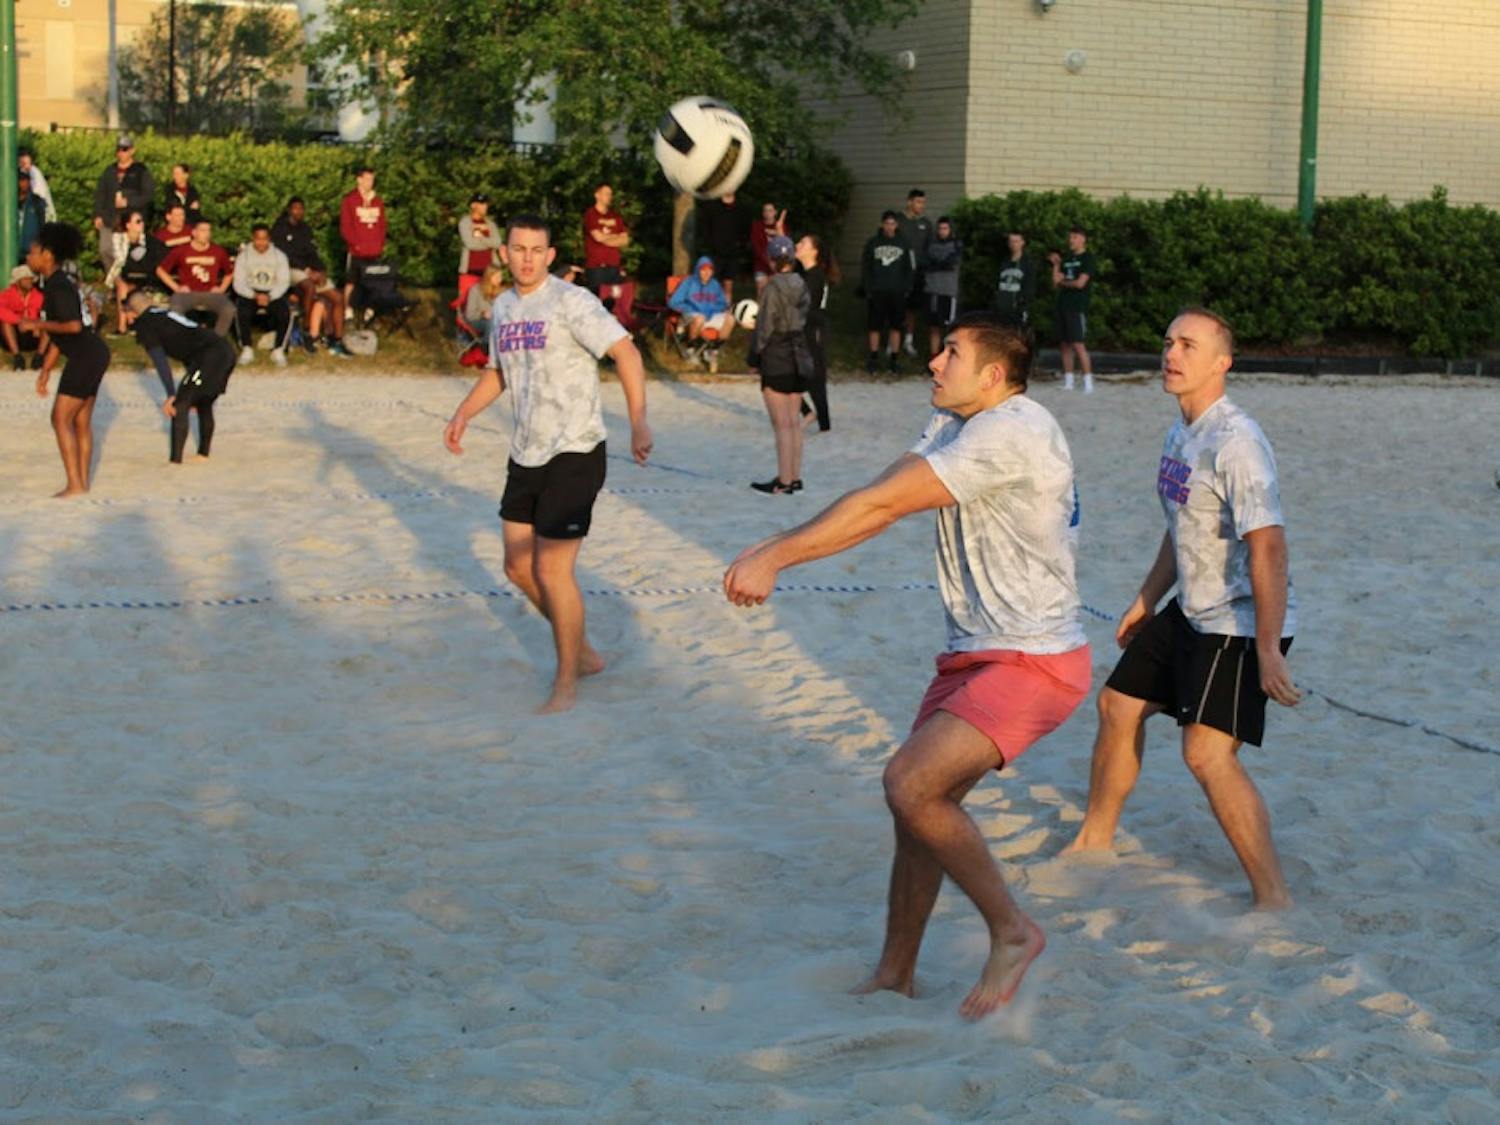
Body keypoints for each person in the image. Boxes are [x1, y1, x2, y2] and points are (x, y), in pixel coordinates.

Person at [725, 311, 1090, 1019]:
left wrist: (778, 555)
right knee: (918, 811)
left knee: (911, 784)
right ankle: (896, 973)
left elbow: (885, 503)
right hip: (975, 654)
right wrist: (785, 538)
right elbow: (881, 494)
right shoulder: (956, 421)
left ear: (992, 374)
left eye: (950, 353)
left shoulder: (1010, 428)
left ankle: (1013, 930)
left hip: (1035, 659)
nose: (933, 362)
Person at [1066, 308, 1298, 908]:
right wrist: (1146, 599)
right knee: (1117, 705)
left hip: (1241, 620)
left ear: (1222, 362)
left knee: (1206, 754)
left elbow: (1269, 547)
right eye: (1168, 341)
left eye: (1189, 345)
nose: (1172, 354)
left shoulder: (1237, 442)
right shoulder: (1181, 434)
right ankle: (1094, 840)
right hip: (1190, 608)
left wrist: (1269, 650)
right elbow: (1179, 529)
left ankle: (1273, 898)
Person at [443, 214, 653, 714]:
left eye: (537, 250)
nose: (527, 258)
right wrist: (463, 414)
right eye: (518, 249)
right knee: (517, 567)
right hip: (526, 452)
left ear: (550, 254)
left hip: (575, 451)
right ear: (505, 252)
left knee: (551, 568)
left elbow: (626, 353)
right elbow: (498, 375)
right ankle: (581, 649)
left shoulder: (570, 301)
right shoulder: (506, 307)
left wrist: (639, 422)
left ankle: (566, 681)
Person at [21, 223, 113, 498]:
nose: (29, 256)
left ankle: (74, 484)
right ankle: (81, 483)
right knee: (80, 422)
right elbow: (61, 335)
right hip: (94, 353)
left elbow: (72, 326)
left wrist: (35, 323)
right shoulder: (57, 283)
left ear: (47, 255)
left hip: (86, 355)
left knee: (60, 419)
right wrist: (46, 370)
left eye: (33, 251)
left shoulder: (58, 286)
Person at [127, 289, 237, 464]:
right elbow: (190, 346)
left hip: (210, 355)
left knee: (180, 403)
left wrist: (171, 394)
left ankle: (175, 461)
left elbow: (161, 362)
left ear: (132, 312)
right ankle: (203, 454)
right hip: (226, 350)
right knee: (204, 400)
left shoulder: (145, 325)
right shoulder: (165, 313)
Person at [748, 235, 810, 494]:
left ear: (773, 260)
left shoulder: (772, 288)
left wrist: (754, 357)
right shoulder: (801, 283)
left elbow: (765, 326)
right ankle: (795, 476)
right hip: (798, 352)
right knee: (794, 422)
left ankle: (783, 481)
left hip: (776, 354)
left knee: (781, 424)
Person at [271, 197, 351, 357]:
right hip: (290, 269)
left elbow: (312, 253)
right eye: (295, 208)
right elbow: (283, 255)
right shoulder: (279, 228)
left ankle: (337, 340)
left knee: (337, 297)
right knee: (309, 286)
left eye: (301, 209)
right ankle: (307, 331)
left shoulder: (306, 229)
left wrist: (321, 270)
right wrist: (308, 271)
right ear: (289, 210)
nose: (298, 212)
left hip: (311, 270)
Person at [156, 218, 236, 337]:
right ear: (194, 233)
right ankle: (182, 339)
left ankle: (216, 340)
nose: (207, 234)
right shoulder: (181, 250)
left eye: (209, 231)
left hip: (210, 293)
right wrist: (177, 288)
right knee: (176, 308)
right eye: (203, 230)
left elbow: (229, 273)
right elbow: (160, 270)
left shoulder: (218, 251)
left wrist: (221, 289)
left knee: (229, 309)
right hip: (187, 293)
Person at [859, 211, 914, 374]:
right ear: (882, 224)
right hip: (877, 292)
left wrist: (907, 287)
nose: (890, 226)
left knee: (896, 326)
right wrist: (868, 288)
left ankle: (894, 359)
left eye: (893, 223)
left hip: (897, 293)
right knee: (874, 326)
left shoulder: (904, 243)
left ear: (896, 225)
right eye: (887, 223)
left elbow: (910, 268)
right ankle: (874, 358)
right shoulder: (872, 243)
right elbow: (866, 267)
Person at [232, 223, 293, 366]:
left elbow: (284, 281)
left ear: (269, 239)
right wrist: (254, 295)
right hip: (250, 292)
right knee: (242, 311)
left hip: (272, 293)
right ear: (253, 239)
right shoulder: (244, 256)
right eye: (258, 239)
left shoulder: (279, 256)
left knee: (285, 313)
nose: (261, 242)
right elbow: (238, 282)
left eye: (264, 239)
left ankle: (278, 349)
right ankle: (247, 348)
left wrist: (270, 296)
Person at [92, 135, 154, 274]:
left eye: (125, 149)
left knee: (128, 253)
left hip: (130, 220)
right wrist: (97, 214)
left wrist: (129, 202)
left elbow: (148, 194)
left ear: (132, 150)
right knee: (105, 249)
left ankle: (127, 280)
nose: (121, 153)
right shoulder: (110, 170)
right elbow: (100, 193)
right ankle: (114, 279)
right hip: (110, 218)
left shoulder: (141, 170)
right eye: (119, 149)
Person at [794, 233, 835, 432]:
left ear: (814, 251)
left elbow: (806, 308)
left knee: (815, 379)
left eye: (802, 243)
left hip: (812, 330)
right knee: (784, 374)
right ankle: (812, 415)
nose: (797, 245)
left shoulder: (815, 276)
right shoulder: (804, 273)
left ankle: (823, 423)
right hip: (804, 329)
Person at [1049, 226, 1096, 392]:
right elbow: (1055, 283)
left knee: (1078, 343)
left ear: (1083, 239)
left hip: (1077, 306)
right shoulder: (1067, 258)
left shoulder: (1087, 258)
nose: (1071, 240)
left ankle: (1088, 381)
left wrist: (1063, 282)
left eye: (1075, 237)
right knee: (1064, 345)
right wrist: (1056, 265)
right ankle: (1068, 381)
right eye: (1070, 237)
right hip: (1063, 304)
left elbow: (1080, 283)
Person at [668, 254, 733, 372]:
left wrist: (714, 309)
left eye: (709, 270)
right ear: (698, 270)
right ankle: (691, 348)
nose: (707, 273)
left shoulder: (715, 285)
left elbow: (723, 303)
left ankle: (713, 349)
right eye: (703, 270)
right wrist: (689, 308)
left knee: (730, 319)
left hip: (711, 314)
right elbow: (673, 302)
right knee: (699, 318)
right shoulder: (688, 283)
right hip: (692, 315)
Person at [103, 209, 165, 332]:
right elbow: (119, 261)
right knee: (123, 286)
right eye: (138, 221)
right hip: (120, 273)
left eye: (142, 221)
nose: (141, 224)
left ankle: (131, 319)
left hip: (142, 275)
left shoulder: (148, 241)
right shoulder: (118, 239)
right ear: (128, 225)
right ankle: (122, 326)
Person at [340, 166, 388, 308]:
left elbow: (382, 225)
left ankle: (369, 310)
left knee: (373, 281)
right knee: (351, 281)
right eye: (367, 179)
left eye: (372, 179)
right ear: (359, 180)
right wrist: (355, 244)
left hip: (374, 250)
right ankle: (347, 311)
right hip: (357, 250)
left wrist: (380, 244)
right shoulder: (349, 200)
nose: (370, 183)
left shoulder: (377, 201)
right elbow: (345, 227)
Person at [895, 188, 932, 357]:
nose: (921, 206)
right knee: (896, 306)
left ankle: (908, 340)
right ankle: (892, 341)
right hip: (899, 271)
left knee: (912, 308)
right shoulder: (899, 221)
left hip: (918, 272)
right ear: (909, 202)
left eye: (923, 202)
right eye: (918, 202)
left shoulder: (925, 223)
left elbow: (929, 248)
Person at [695, 192, 745, 305]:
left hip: (732, 253)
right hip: (715, 253)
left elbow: (744, 229)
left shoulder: (740, 208)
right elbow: (704, 228)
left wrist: (739, 245)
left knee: (728, 285)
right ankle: (710, 310)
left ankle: (726, 311)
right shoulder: (712, 207)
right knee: (711, 284)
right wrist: (711, 244)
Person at [924, 216, 962, 359]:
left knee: (949, 327)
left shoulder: (956, 245)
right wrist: (937, 265)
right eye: (940, 228)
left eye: (945, 228)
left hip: (948, 291)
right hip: (932, 290)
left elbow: (951, 262)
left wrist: (938, 265)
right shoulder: (931, 245)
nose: (942, 231)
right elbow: (926, 262)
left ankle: (947, 358)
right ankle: (934, 357)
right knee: (933, 326)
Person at [581, 182, 629, 294]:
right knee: (597, 302)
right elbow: (598, 237)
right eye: (606, 194)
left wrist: (606, 238)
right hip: (597, 268)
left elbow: (625, 240)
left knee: (614, 302)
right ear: (597, 195)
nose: (609, 197)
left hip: (614, 267)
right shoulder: (591, 214)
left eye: (610, 194)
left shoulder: (615, 216)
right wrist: (616, 237)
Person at [0, 264, 45, 369]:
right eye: (25, 279)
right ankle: (17, 357)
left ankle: (39, 357)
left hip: (34, 333)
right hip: (14, 333)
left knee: (48, 324)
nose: (29, 281)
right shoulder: (6, 295)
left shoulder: (38, 296)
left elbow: (44, 312)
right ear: (18, 282)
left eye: (30, 279)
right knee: (5, 323)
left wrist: (34, 324)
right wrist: (19, 320)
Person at [994, 230, 1036, 328]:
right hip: (1002, 306)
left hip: (1017, 308)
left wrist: (1022, 301)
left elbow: (1030, 286)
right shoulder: (1004, 262)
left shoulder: (1027, 263)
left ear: (1022, 242)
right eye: (1011, 241)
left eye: (1016, 241)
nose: (1013, 244)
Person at [458, 193, 503, 278]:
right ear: (473, 205)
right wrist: (489, 243)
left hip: (491, 272)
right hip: (470, 271)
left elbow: (497, 243)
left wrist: (481, 238)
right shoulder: (465, 222)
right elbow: (470, 244)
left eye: (486, 204)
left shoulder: (490, 224)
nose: (485, 206)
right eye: (482, 203)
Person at [463, 262, 507, 345]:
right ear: (489, 277)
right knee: (492, 321)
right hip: (478, 320)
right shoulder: (475, 290)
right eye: (497, 277)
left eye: (501, 276)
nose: (500, 279)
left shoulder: (502, 291)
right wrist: (482, 313)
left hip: (500, 321)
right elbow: (469, 314)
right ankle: (486, 345)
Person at [749, 201, 787, 296]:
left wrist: (777, 264)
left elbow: (785, 245)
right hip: (761, 265)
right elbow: (756, 247)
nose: (767, 213)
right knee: (761, 293)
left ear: (775, 212)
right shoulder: (757, 226)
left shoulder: (781, 226)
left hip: (777, 266)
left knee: (775, 294)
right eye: (765, 211)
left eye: (770, 210)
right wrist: (768, 261)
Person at [17, 171, 47, 265]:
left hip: (29, 253)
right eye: (21, 180)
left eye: (26, 180)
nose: (23, 184)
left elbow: (43, 225)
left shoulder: (36, 202)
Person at [19, 148, 56, 221]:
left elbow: (39, 196)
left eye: (27, 164)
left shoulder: (34, 174)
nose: (26, 167)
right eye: (23, 164)